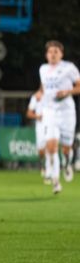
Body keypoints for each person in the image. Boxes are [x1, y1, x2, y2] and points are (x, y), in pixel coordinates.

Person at [37, 40, 79, 194]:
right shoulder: (43, 69)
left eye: (56, 52)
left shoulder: (69, 68)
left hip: (67, 112)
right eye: (50, 52)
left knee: (66, 148)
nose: (53, 54)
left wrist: (68, 92)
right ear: (46, 55)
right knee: (51, 147)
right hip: (50, 111)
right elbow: (44, 86)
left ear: (61, 54)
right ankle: (56, 181)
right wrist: (40, 93)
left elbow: (79, 86)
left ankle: (67, 163)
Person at [25, 91, 46, 179]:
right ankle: (43, 164)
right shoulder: (36, 97)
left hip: (52, 125)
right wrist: (38, 116)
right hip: (40, 126)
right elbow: (28, 113)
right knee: (41, 150)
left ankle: (50, 169)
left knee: (51, 147)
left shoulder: (53, 93)